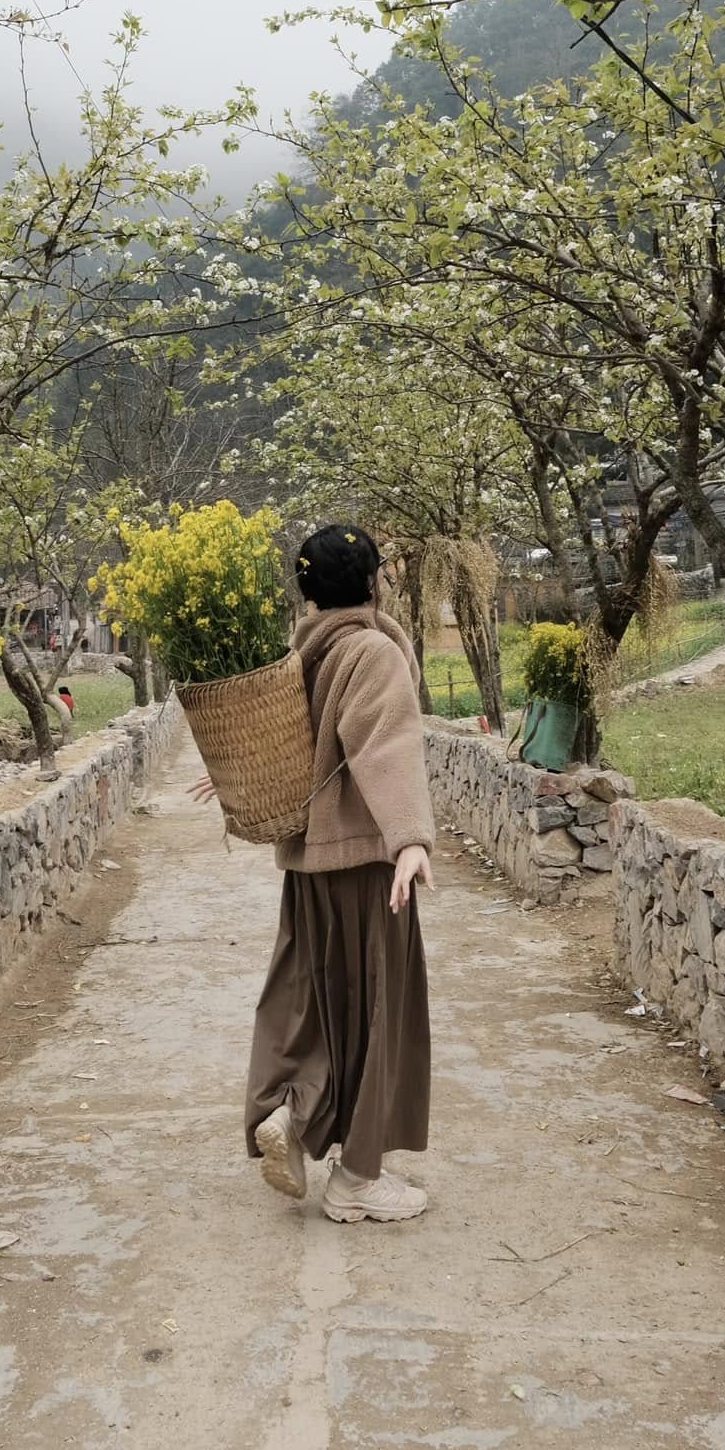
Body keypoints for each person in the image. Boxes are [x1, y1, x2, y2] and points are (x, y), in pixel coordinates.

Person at [194, 524, 436, 1223]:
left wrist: (234, 776)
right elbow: (382, 744)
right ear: (373, 582)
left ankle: (295, 1118)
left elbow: (276, 742)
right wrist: (411, 839)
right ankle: (357, 1180)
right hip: (365, 864)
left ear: (305, 590)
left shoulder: (299, 654)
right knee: (376, 1012)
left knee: (314, 1003)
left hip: (307, 869)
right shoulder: (373, 653)